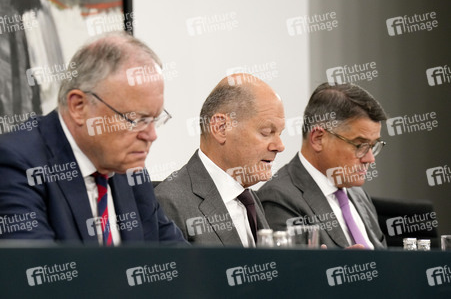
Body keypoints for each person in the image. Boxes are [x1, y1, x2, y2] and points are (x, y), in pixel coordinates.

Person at [0, 32, 186, 245]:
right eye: (136, 119)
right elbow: (38, 270)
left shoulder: (130, 170)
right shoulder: (16, 164)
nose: (152, 135)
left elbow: (179, 261)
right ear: (79, 106)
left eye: (155, 119)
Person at [155, 74, 285, 247]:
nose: (280, 146)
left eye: (280, 134)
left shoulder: (250, 199)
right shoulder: (169, 203)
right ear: (221, 128)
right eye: (267, 132)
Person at [258, 82, 387, 249]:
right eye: (360, 145)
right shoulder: (278, 198)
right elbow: (290, 271)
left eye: (372, 146)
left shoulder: (358, 195)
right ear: (318, 138)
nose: (370, 159)